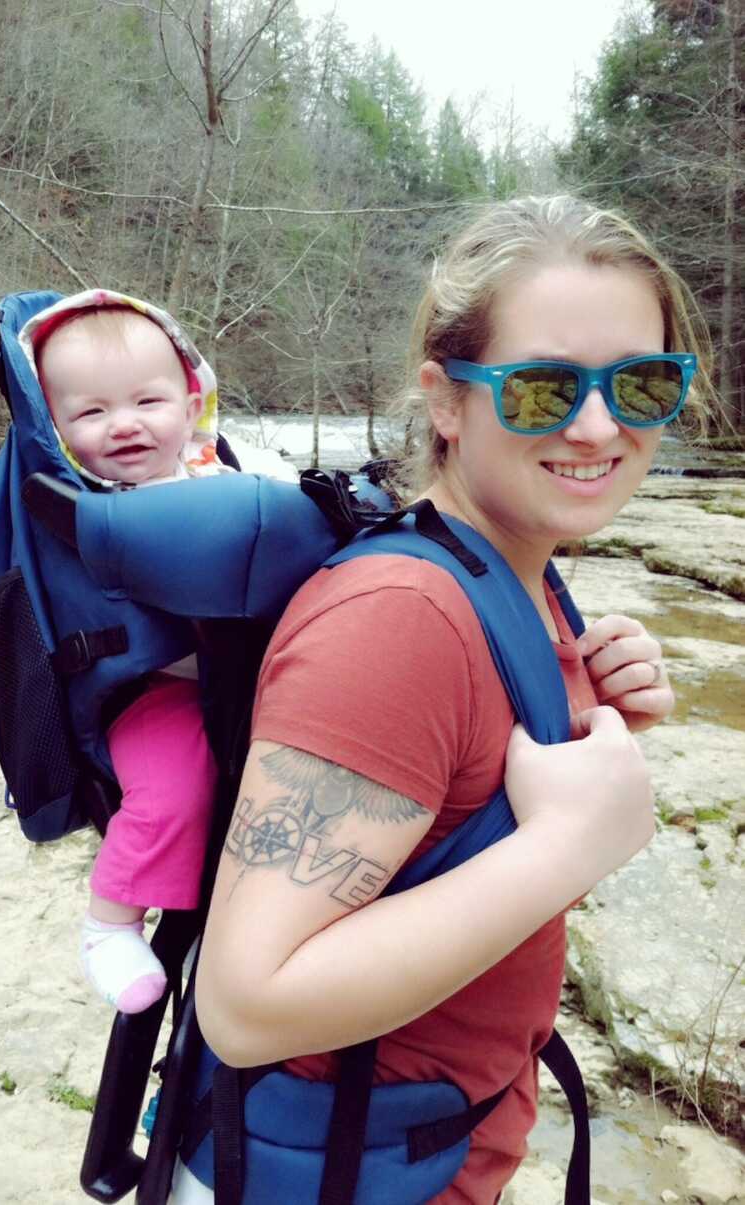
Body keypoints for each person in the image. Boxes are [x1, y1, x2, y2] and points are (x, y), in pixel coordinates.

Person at [186, 195, 717, 1204]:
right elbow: (248, 1003)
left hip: (429, 1155)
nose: (599, 424)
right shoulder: (400, 618)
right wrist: (569, 842)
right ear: (446, 399)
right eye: (540, 390)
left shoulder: (517, 567)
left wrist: (584, 699)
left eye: (642, 384)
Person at [20, 288, 229, 1015]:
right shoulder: (76, 506)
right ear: (55, 425)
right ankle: (109, 922)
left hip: (247, 675)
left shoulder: (221, 478)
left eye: (148, 400)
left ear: (191, 396)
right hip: (149, 692)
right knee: (177, 785)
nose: (126, 425)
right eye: (91, 412)